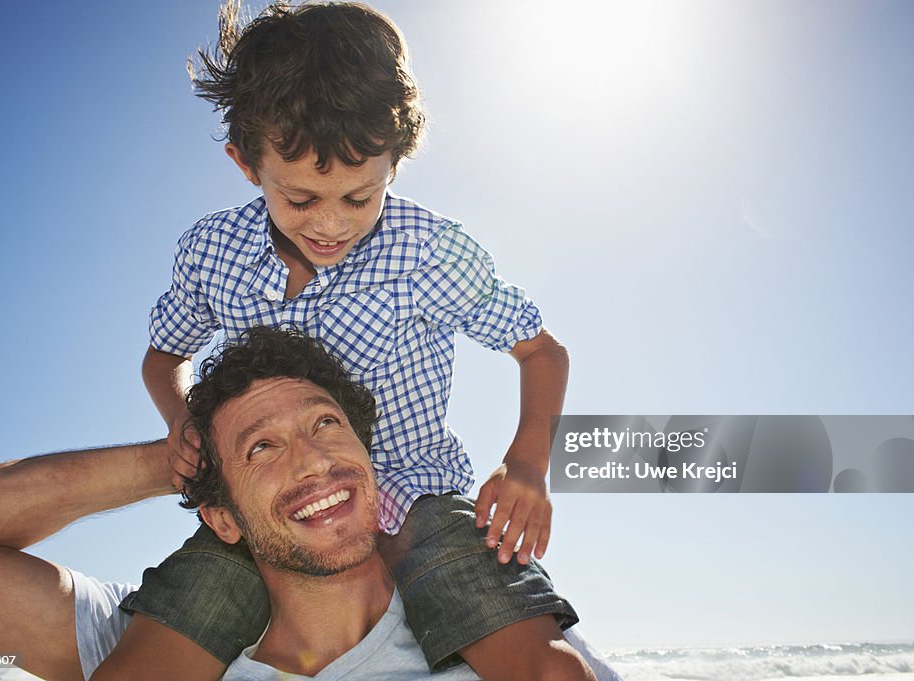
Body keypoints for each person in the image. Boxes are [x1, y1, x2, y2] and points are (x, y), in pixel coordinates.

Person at [123, 2, 581, 681]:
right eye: (302, 199)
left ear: (396, 162)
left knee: (547, 670)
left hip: (417, 500)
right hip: (274, 521)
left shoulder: (429, 250)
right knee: (148, 659)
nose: (332, 225)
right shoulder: (210, 251)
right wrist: (182, 419)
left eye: (359, 198)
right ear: (246, 163)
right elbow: (164, 355)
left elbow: (541, 351)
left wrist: (526, 463)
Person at [0, 328, 620, 681]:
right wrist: (165, 459)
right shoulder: (158, 639)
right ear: (223, 515)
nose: (311, 458)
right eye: (261, 448)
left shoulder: (487, 621)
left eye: (326, 423)